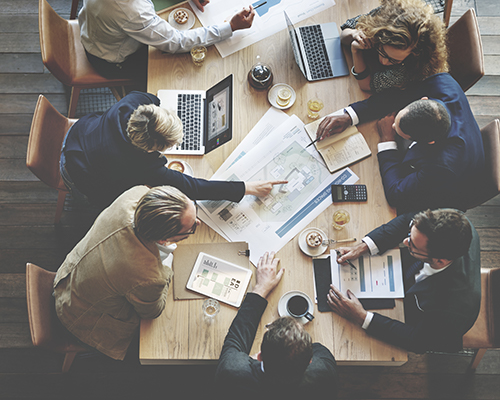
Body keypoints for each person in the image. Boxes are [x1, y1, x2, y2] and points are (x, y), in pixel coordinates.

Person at [60, 91, 285, 209]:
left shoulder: (131, 104)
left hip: (79, 135)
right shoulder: (143, 168)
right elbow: (194, 187)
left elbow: (154, 100)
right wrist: (247, 188)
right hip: (75, 172)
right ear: (149, 151)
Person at [54, 185, 200, 360]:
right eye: (191, 229)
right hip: (80, 317)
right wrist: (167, 266)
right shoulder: (149, 277)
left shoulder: (134, 194)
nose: (198, 222)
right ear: (163, 239)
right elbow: (152, 311)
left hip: (69, 274)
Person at [315, 73, 485, 213]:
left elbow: (396, 194)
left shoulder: (441, 166)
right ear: (424, 100)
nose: (393, 125)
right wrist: (350, 116)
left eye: (399, 131)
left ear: (428, 142)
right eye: (398, 120)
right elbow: (399, 96)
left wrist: (387, 140)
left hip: (443, 196)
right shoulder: (443, 82)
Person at [327, 209, 481, 354]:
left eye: (412, 246)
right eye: (410, 234)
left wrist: (361, 317)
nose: (405, 241)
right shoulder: (453, 220)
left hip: (427, 320)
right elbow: (407, 220)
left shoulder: (451, 308)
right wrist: (363, 247)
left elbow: (418, 341)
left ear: (439, 261)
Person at [215, 252, 338, 399]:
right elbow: (318, 348)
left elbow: (236, 337)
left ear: (259, 356)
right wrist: (295, 339)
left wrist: (261, 288)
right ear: (310, 361)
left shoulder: (233, 372)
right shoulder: (323, 374)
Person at [78, 0, 255, 82]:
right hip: (111, 60)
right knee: (179, 74)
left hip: (92, 30)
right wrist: (230, 27)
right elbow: (176, 42)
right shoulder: (131, 11)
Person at [341, 0, 448, 93]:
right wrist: (354, 33)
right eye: (382, 51)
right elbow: (344, 31)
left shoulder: (411, 68)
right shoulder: (387, 18)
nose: (383, 61)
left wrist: (356, 51)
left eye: (393, 60)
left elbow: (367, 85)